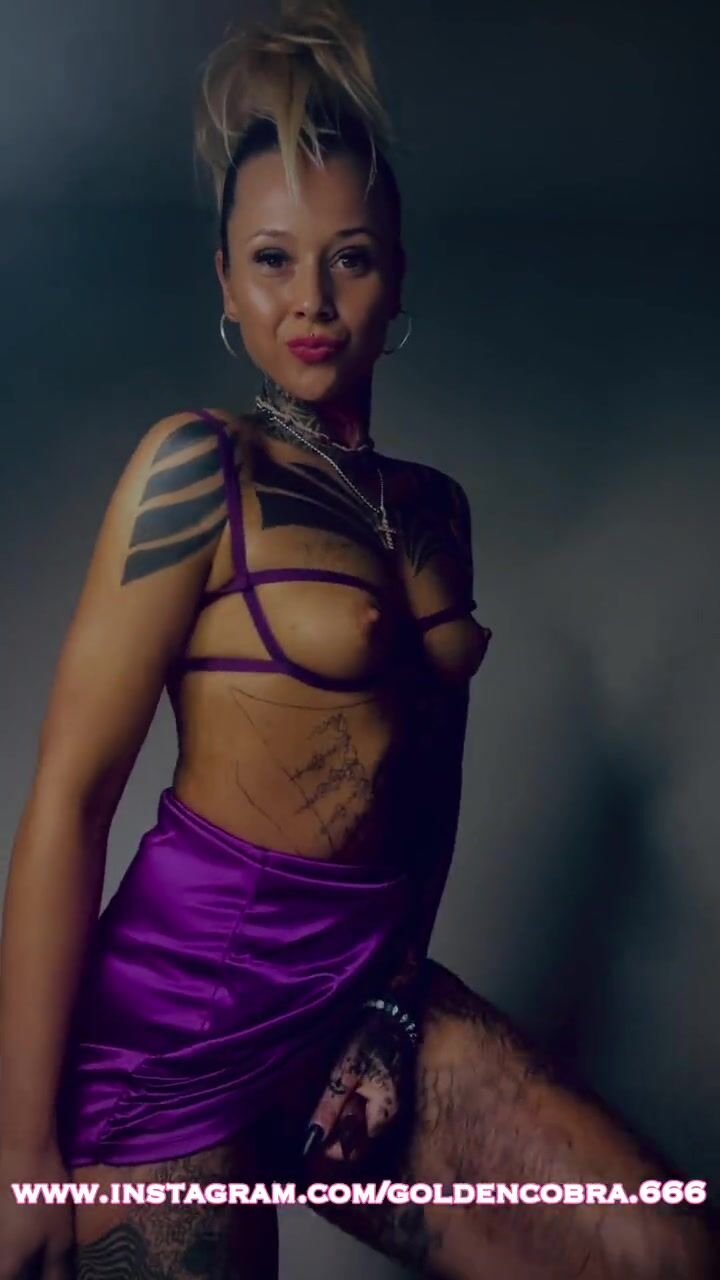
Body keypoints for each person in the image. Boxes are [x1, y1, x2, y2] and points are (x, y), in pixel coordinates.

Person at [0, 2, 715, 1277]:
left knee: (662, 1246)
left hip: (361, 1007)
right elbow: (69, 797)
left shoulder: (435, 510)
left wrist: (393, 997)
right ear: (227, 282)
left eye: (350, 259)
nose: (312, 300)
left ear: (398, 277)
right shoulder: (197, 469)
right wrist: (21, 1153)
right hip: (182, 1031)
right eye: (274, 260)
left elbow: (428, 787)